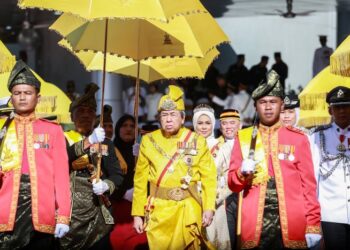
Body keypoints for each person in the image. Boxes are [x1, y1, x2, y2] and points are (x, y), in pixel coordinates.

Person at [228, 70, 322, 249]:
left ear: (281, 105)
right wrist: (241, 173)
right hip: (254, 220)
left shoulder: (298, 139)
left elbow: (309, 187)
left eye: (273, 102)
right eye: (263, 102)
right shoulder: (244, 137)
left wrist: (313, 224)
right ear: (255, 106)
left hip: (291, 220)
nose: (268, 107)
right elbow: (232, 184)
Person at [132, 85, 217, 250]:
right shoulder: (149, 141)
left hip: (188, 209)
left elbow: (209, 177)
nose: (168, 119)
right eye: (164, 115)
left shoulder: (197, 140)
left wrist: (208, 207)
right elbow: (140, 181)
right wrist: (137, 214)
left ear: (183, 117)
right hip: (159, 212)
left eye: (173, 114)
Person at [0, 60, 71, 249]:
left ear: (38, 98)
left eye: (28, 93)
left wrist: (63, 215)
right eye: (17, 93)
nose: (22, 97)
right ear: (11, 97)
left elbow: (62, 178)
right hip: (6, 211)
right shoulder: (2, 129)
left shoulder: (53, 130)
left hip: (42, 211)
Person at [61, 83, 124, 250]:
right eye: (80, 111)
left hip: (97, 211)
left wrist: (106, 185)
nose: (85, 115)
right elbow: (62, 158)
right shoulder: (62, 138)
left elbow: (117, 175)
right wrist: (88, 142)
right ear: (72, 116)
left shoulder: (106, 143)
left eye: (90, 112)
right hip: (68, 212)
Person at [310, 86, 350, 250]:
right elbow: (313, 177)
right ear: (329, 110)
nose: (342, 111)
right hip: (332, 212)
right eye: (337, 107)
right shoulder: (317, 136)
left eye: (346, 106)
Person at [110, 114, 148, 249]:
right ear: (118, 129)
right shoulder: (110, 150)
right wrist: (123, 193)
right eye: (124, 125)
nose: (128, 129)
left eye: (132, 126)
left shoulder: (144, 151)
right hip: (116, 208)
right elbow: (104, 178)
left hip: (139, 208)